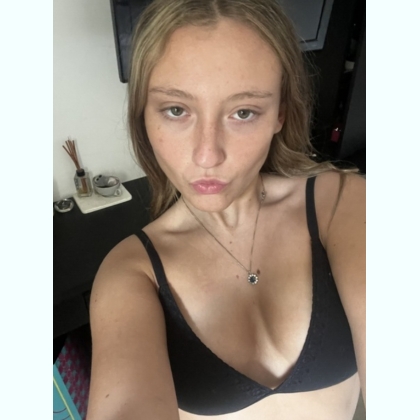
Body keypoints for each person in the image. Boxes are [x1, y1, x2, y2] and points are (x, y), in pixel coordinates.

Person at [86, 0, 366, 419]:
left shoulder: (341, 202)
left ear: (280, 114)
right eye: (176, 110)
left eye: (243, 112)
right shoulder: (131, 273)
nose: (207, 155)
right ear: (143, 114)